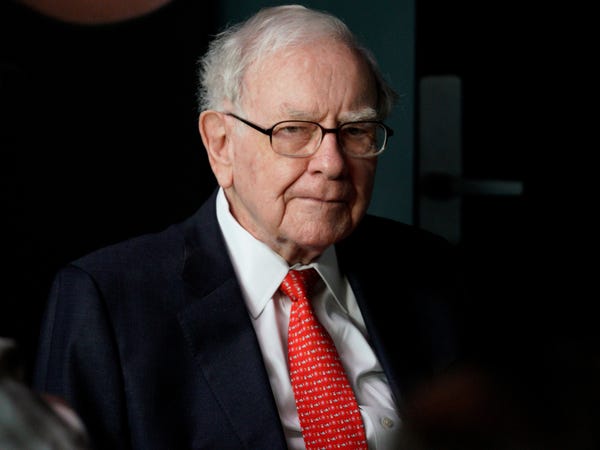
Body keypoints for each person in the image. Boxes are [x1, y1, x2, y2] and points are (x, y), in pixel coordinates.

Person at [32, 4, 465, 449]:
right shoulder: (108, 303)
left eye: (356, 131)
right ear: (220, 144)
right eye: (294, 130)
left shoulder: (431, 271)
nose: (332, 164)